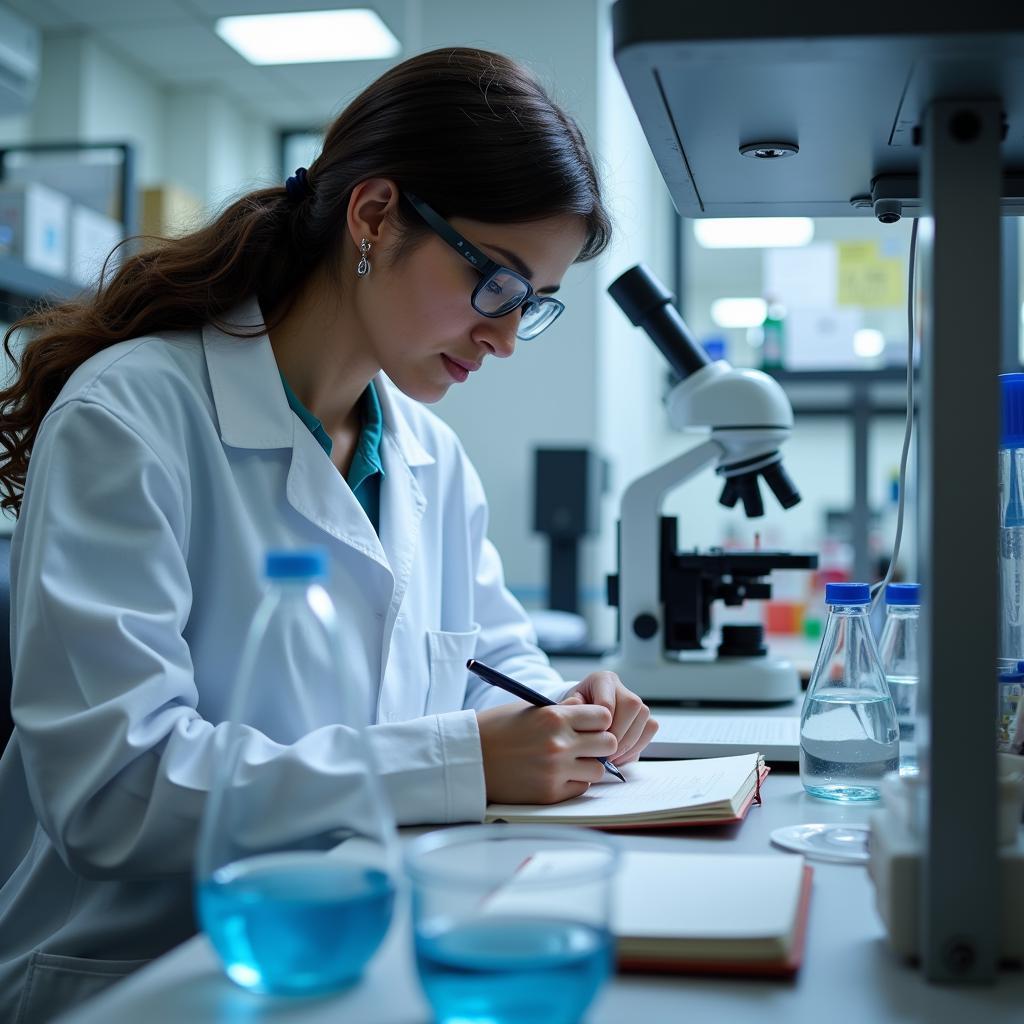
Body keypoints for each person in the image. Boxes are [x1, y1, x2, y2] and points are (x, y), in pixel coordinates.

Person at [0, 46, 657, 1021]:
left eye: (533, 304)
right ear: (375, 215)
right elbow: (115, 791)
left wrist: (571, 709)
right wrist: (463, 759)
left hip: (361, 947)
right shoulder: (132, 415)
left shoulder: (431, 457)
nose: (506, 336)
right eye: (496, 285)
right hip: (141, 976)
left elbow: (493, 665)